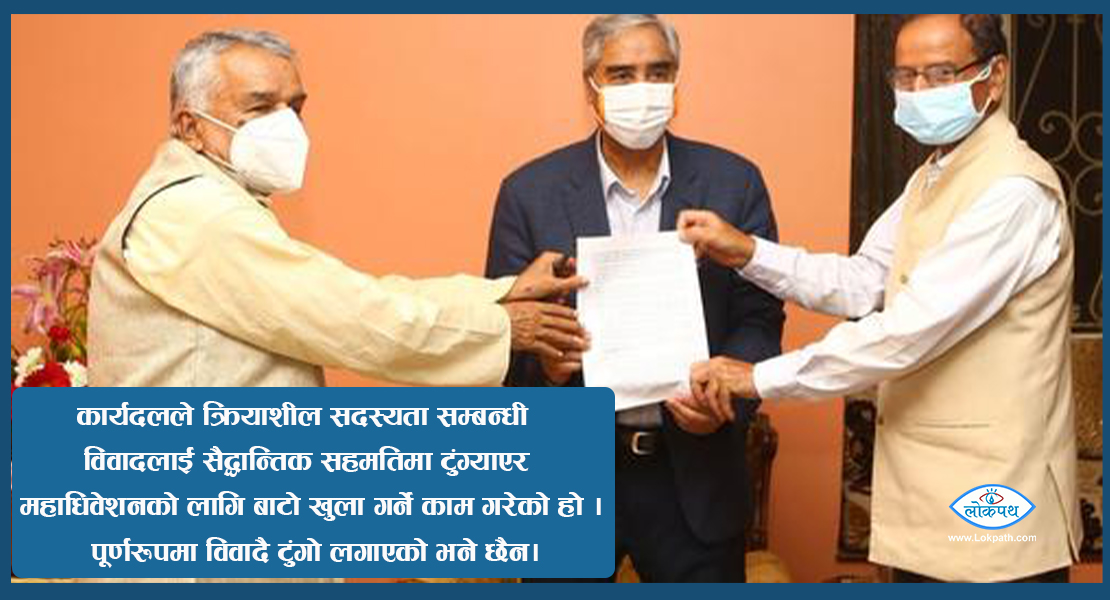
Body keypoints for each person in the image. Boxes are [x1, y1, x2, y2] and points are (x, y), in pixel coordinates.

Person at [677, 14, 1080, 583]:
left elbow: (907, 330)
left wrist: (757, 378)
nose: (918, 91)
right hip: (933, 494)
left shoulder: (1013, 191)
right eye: (905, 76)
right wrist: (746, 251)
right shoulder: (934, 175)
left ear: (994, 75)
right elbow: (863, 280)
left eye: (940, 74)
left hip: (996, 500)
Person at [89, 29, 587, 387]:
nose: (287, 126)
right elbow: (350, 316)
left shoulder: (209, 199)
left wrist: (501, 292)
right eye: (260, 107)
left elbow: (351, 294)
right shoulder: (195, 212)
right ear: (190, 127)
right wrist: (503, 327)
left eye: (295, 107)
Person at [486, 14, 784, 582]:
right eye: (621, 74)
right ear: (590, 87)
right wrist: (544, 368)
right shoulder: (528, 193)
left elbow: (760, 317)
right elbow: (504, 335)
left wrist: (723, 400)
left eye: (658, 72)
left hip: (696, 477)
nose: (642, 89)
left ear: (677, 81)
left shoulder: (734, 182)